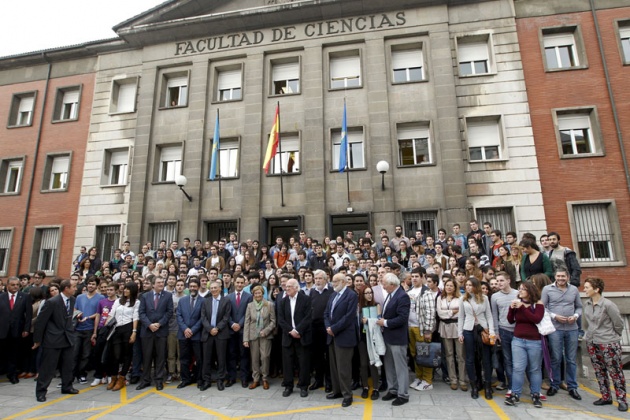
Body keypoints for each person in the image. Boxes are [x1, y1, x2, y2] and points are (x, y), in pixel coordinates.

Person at [582, 278, 627, 412]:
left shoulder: (608, 305)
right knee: (599, 370)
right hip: (592, 341)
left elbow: (618, 324)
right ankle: (605, 396)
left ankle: (622, 399)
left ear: (596, 289)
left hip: (608, 342)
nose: (584, 290)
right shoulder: (587, 304)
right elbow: (586, 323)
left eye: (587, 287)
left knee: (615, 372)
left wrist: (613, 337)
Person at [33, 279, 78, 402]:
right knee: (48, 367)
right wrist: (37, 340)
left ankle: (67, 386)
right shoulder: (52, 302)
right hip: (53, 338)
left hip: (68, 337)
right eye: (74, 286)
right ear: (66, 288)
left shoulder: (73, 300)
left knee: (68, 364)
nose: (76, 288)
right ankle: (41, 391)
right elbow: (41, 322)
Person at [541, 267, 582, 400]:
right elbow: (543, 307)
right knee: (556, 358)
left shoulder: (574, 290)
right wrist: (554, 316)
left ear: (568, 277)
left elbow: (579, 307)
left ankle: (572, 386)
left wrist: (575, 316)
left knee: (571, 359)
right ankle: (555, 384)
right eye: (558, 276)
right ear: (555, 277)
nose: (560, 279)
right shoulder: (547, 289)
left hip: (572, 328)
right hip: (555, 328)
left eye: (563, 276)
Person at [504, 281, 545, 408]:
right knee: (518, 368)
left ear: (530, 291)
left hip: (534, 340)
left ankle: (535, 393)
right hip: (518, 340)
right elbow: (510, 320)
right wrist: (511, 309)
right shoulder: (517, 303)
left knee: (534, 369)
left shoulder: (538, 304)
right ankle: (515, 394)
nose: (520, 291)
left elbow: (536, 319)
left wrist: (522, 307)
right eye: (519, 289)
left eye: (523, 289)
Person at [324, 273, 359, 407]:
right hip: (331, 335)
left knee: (344, 367)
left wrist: (334, 328)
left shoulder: (351, 295)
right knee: (334, 367)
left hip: (344, 336)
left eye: (336, 281)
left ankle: (347, 395)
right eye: (332, 281)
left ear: (344, 282)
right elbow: (326, 313)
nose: (333, 284)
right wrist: (328, 327)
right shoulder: (333, 295)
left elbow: (348, 317)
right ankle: (337, 390)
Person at [376, 273, 411, 406]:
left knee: (400, 367)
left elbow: (402, 318)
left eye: (384, 284)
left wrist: (385, 323)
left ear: (392, 284)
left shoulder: (402, 296)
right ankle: (393, 389)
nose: (383, 286)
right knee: (389, 366)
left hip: (397, 338)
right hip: (388, 337)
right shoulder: (391, 295)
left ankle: (403, 394)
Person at [458, 277, 495, 400]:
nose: (467, 287)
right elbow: (461, 317)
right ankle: (474, 385)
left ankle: (488, 386)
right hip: (468, 329)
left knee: (486, 359)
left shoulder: (484, 298)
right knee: (470, 358)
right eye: (466, 285)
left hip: (482, 330)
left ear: (475, 286)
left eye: (470, 285)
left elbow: (489, 316)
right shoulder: (463, 299)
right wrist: (460, 333)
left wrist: (492, 331)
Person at [136, 276, 173, 391]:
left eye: (162, 282)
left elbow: (169, 312)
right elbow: (141, 313)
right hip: (147, 331)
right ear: (153, 284)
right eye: (159, 282)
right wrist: (149, 324)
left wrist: (159, 324)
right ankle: (146, 380)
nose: (161, 284)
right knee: (146, 357)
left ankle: (159, 380)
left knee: (160, 357)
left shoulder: (168, 296)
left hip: (161, 331)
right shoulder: (144, 296)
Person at [277, 278, 312, 398]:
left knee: (304, 363)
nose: (287, 289)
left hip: (302, 336)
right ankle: (288, 386)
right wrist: (291, 331)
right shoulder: (283, 301)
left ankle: (303, 386)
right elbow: (280, 319)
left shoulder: (306, 299)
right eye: (286, 286)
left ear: (296, 288)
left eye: (289, 286)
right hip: (288, 336)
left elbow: (308, 317)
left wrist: (298, 330)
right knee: (287, 363)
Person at [107, 282, 139, 391]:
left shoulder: (136, 302)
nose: (125, 290)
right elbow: (111, 314)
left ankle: (121, 378)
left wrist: (134, 332)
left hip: (128, 328)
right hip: (116, 329)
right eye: (124, 288)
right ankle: (113, 377)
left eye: (128, 289)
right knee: (115, 355)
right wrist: (106, 326)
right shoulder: (118, 301)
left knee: (127, 355)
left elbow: (135, 317)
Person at [0, 276, 33, 384]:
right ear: (7, 286)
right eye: (13, 285)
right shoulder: (2, 297)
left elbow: (28, 315)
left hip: (17, 330)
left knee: (13, 354)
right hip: (2, 330)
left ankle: (12, 375)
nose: (15, 287)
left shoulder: (25, 297)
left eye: (17, 285)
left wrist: (26, 329)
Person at [199, 280, 231, 391]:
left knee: (221, 358)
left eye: (215, 288)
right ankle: (206, 380)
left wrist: (217, 328)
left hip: (221, 333)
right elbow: (203, 317)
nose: (213, 290)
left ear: (220, 288)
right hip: (207, 334)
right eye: (211, 288)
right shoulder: (205, 301)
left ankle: (220, 380)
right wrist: (210, 329)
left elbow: (226, 317)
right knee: (206, 358)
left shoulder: (226, 301)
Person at [243, 285, 276, 390]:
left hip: (265, 336)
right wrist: (245, 339)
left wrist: (266, 331)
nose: (257, 295)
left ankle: (265, 378)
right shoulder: (249, 306)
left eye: (259, 293)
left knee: (265, 357)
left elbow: (273, 321)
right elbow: (247, 322)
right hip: (253, 335)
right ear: (253, 295)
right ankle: (256, 379)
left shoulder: (269, 305)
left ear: (263, 294)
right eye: (255, 293)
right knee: (255, 358)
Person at [436, 278, 466, 391]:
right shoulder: (440, 298)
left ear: (455, 287)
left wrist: (447, 313)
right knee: (449, 355)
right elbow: (440, 313)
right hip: (444, 327)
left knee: (460, 355)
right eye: (447, 285)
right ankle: (453, 379)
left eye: (451, 286)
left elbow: (462, 313)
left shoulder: (461, 298)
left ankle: (462, 380)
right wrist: (452, 312)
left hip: (457, 326)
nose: (449, 287)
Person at [491, 271, 518, 395]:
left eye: (501, 280)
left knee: (518, 359)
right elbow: (494, 316)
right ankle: (511, 386)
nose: (499, 283)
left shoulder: (517, 294)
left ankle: (517, 384)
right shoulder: (495, 296)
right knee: (507, 359)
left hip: (518, 330)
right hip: (503, 330)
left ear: (508, 281)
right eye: (497, 281)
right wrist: (496, 332)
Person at [175, 278, 204, 389]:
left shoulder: (203, 301)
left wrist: (192, 330)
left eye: (194, 286)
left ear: (198, 287)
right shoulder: (182, 300)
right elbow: (179, 316)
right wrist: (185, 329)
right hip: (183, 334)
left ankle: (199, 379)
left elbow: (202, 318)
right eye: (191, 286)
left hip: (196, 335)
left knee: (199, 358)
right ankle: (185, 379)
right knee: (184, 358)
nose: (192, 288)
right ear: (188, 287)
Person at [73, 276, 102, 384]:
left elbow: (99, 313)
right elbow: (75, 309)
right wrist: (77, 314)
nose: (90, 286)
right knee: (74, 353)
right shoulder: (80, 297)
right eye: (89, 283)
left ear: (96, 285)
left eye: (93, 284)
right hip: (78, 329)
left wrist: (89, 318)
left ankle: (81, 374)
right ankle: (70, 375)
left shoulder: (100, 298)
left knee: (86, 354)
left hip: (89, 328)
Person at [227, 274, 253, 387]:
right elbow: (226, 313)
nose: (239, 284)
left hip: (243, 330)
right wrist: (232, 324)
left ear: (244, 283)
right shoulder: (228, 297)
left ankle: (244, 378)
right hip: (231, 330)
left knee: (244, 355)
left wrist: (240, 324)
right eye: (237, 282)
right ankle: (231, 378)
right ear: (234, 282)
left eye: (241, 283)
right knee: (231, 354)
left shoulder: (249, 297)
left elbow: (248, 313)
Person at [309, 269, 333, 392]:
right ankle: (318, 380)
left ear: (325, 279)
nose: (317, 280)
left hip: (327, 328)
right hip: (314, 328)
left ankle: (329, 382)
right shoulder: (312, 292)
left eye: (320, 278)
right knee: (317, 356)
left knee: (328, 356)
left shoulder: (331, 291)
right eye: (316, 278)